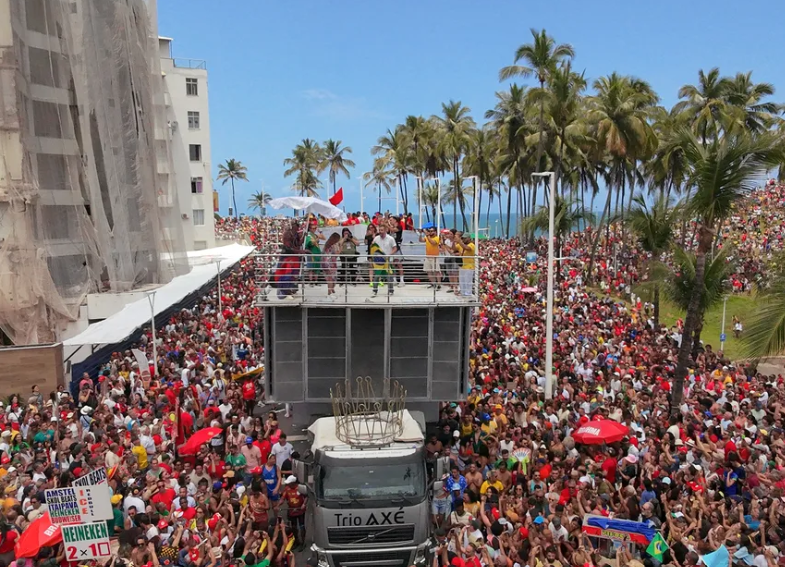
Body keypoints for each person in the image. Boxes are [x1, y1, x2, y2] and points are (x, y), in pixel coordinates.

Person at [370, 224, 398, 297]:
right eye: (379, 230)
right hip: (378, 261)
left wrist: (389, 255)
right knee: (376, 276)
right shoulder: (376, 238)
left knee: (389, 276)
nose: (380, 232)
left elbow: (395, 248)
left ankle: (391, 290)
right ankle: (374, 291)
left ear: (386, 230)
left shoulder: (391, 238)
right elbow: (373, 248)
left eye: (382, 230)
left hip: (388, 261)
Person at [282, 475, 307, 550]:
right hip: (291, 511)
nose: (288, 484)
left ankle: (303, 542)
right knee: (293, 527)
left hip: (300, 511)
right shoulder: (287, 489)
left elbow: (306, 496)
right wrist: (277, 505)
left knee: (301, 527)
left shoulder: (300, 488)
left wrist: (304, 504)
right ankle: (296, 541)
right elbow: (283, 498)